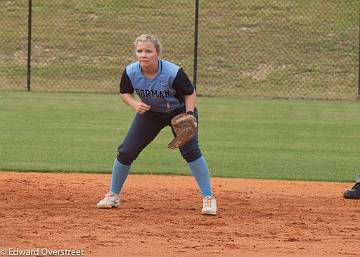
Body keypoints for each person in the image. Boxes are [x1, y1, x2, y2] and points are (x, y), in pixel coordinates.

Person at [96, 34, 217, 215]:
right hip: (150, 113)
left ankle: (208, 198)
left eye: (148, 51)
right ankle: (113, 195)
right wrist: (134, 104)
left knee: (191, 151)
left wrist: (190, 115)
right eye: (139, 51)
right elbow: (125, 92)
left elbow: (190, 93)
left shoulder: (172, 72)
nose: (143, 55)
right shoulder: (130, 72)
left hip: (179, 113)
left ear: (157, 53)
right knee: (126, 150)